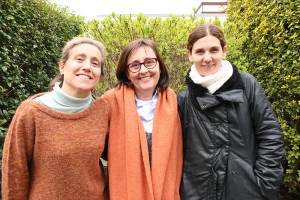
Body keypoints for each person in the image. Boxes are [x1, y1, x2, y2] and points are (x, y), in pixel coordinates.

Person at [178, 24, 285, 200]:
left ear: (224, 51)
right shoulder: (184, 100)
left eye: (214, 50)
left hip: (247, 191)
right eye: (199, 52)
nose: (207, 58)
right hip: (199, 193)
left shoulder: (247, 85)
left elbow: (271, 135)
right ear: (190, 55)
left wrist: (264, 185)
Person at [2, 37, 109, 199]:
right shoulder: (31, 112)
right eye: (79, 59)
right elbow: (14, 172)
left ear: (100, 75)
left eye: (95, 63)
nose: (87, 67)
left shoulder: (103, 110)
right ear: (62, 66)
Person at [102, 39, 183, 199]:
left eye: (149, 62)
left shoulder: (174, 101)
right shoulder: (110, 101)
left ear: (159, 65)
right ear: (127, 72)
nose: (144, 70)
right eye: (135, 65)